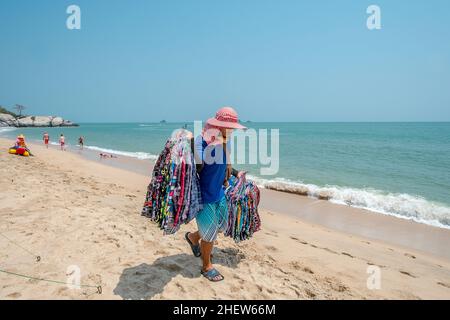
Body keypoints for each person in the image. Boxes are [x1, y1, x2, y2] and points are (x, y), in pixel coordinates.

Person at [185, 106, 246, 282]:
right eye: (230, 127)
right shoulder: (201, 141)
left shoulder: (225, 141)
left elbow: (222, 165)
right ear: (219, 126)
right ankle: (206, 266)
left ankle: (192, 237)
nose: (233, 130)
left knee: (221, 225)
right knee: (210, 234)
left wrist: (235, 172)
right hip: (204, 195)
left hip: (219, 192)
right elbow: (197, 164)